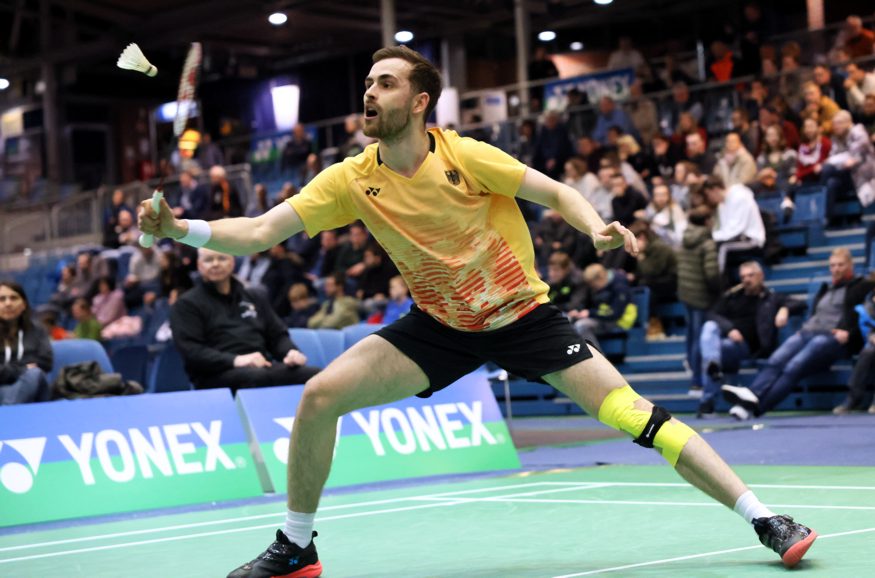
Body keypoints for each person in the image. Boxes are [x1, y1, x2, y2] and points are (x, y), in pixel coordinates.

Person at [139, 45, 817, 576]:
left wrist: (596, 227)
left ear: (419, 100)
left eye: (384, 83)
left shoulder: (465, 156)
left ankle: (764, 519)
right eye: (368, 82)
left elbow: (555, 194)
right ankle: (295, 546)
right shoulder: (351, 180)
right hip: (439, 326)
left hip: (525, 318)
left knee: (635, 416)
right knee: (318, 397)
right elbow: (258, 230)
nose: (369, 92)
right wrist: (182, 230)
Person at [723, 249, 874, 420]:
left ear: (850, 265)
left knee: (793, 367)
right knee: (776, 360)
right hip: (807, 333)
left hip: (832, 339)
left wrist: (850, 333)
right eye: (832, 265)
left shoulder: (862, 286)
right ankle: (750, 398)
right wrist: (788, 312)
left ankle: (756, 408)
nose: (836, 269)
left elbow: (866, 313)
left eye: (840, 265)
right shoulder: (825, 288)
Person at [169, 247, 321, 392]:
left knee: (315, 376)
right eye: (209, 260)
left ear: (232, 262)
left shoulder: (254, 297)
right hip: (214, 375)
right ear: (199, 265)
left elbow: (277, 335)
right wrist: (236, 360)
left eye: (222, 258)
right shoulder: (186, 304)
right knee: (257, 378)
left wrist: (290, 352)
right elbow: (192, 351)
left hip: (261, 366)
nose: (215, 264)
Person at [697, 262, 798, 417]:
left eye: (750, 275)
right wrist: (730, 329)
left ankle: (707, 401)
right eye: (743, 276)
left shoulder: (771, 298)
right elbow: (711, 314)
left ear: (761, 276)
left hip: (748, 348)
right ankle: (714, 367)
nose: (746, 280)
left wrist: (785, 309)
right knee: (710, 327)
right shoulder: (732, 297)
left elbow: (799, 303)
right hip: (727, 344)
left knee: (712, 350)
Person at [676, 206, 720, 398]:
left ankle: (693, 375)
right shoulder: (707, 243)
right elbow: (712, 273)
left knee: (691, 335)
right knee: (699, 338)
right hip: (701, 295)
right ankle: (697, 382)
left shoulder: (685, 239)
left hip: (685, 293)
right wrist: (719, 290)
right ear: (707, 221)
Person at [0, 281, 52, 405]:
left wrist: (7, 369)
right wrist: (21, 369)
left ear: (23, 304)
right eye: (2, 299)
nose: (8, 303)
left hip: (31, 388)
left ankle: (8, 414)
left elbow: (46, 362)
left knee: (34, 374)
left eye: (14, 298)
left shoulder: (38, 330)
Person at [702, 176, 765, 274]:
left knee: (723, 248)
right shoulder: (721, 205)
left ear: (715, 189)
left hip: (752, 239)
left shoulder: (739, 197)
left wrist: (713, 238)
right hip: (736, 238)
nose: (709, 198)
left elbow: (736, 229)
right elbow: (725, 230)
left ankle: (719, 281)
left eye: (708, 194)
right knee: (709, 246)